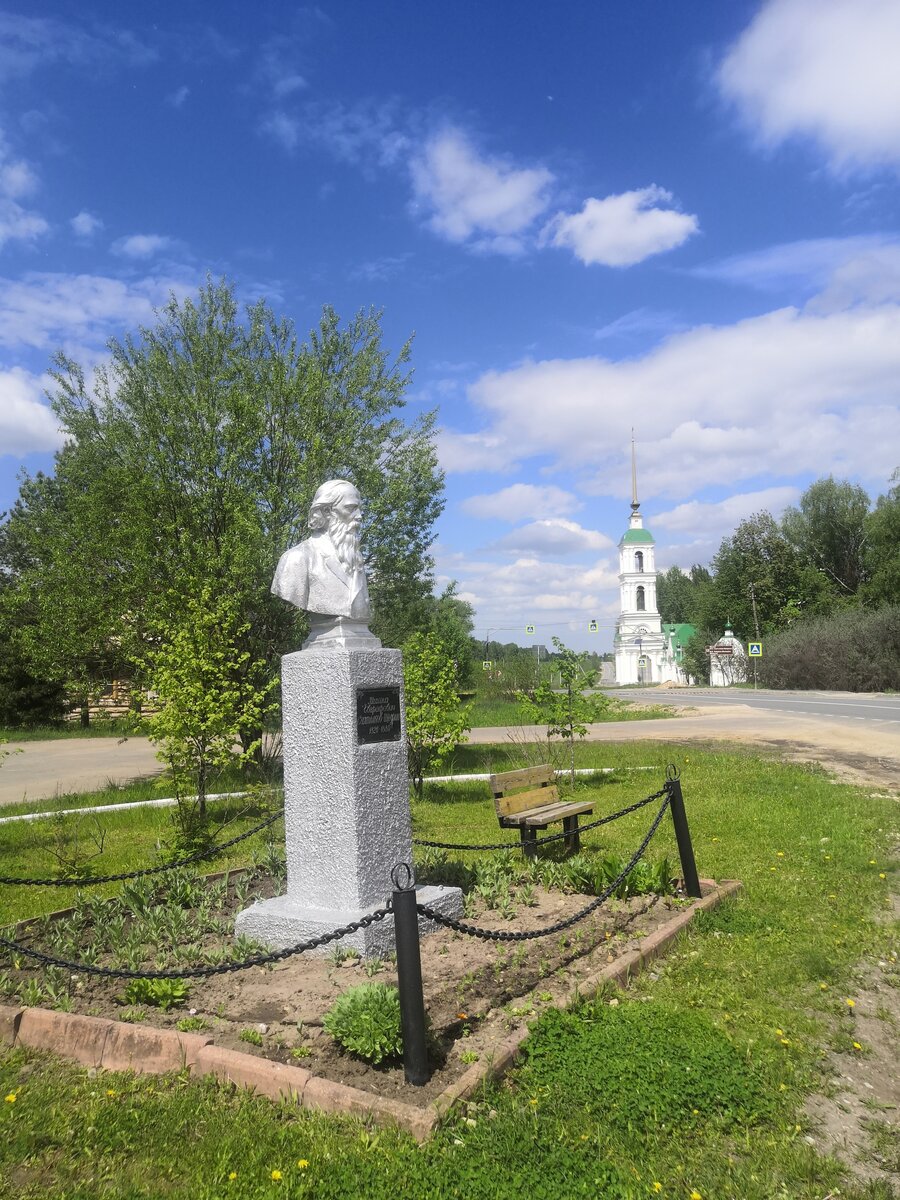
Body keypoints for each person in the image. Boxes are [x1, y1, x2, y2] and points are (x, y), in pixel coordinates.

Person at [271, 479, 370, 620]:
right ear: (327, 511)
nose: (359, 516)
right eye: (351, 508)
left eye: (359, 509)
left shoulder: (355, 559)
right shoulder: (297, 558)